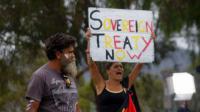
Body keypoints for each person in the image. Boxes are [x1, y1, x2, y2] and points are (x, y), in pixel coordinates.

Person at [85, 29, 143, 112]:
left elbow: (139, 66)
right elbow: (91, 65)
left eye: (121, 67)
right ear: (108, 71)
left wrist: (149, 42)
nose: (119, 68)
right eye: (116, 66)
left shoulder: (126, 84)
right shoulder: (101, 85)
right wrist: (89, 40)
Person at [25, 33, 80, 112]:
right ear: (58, 54)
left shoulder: (68, 76)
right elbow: (32, 109)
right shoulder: (40, 76)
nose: (73, 55)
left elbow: (75, 106)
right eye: (69, 52)